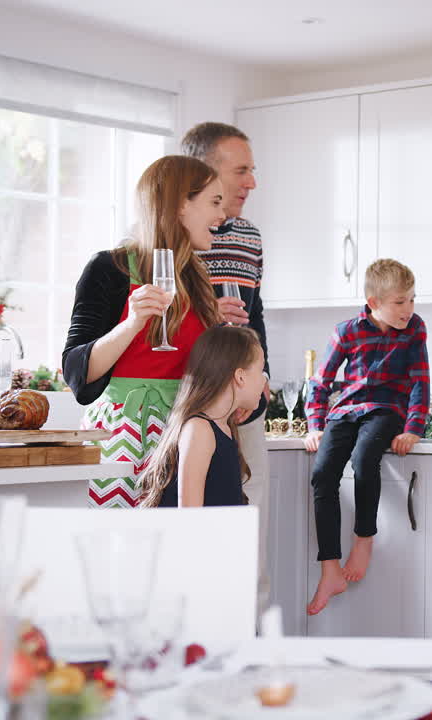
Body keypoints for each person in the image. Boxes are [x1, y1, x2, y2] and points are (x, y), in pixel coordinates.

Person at [62, 155, 240, 507]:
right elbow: (77, 375)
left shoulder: (200, 281)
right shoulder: (108, 269)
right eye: (214, 202)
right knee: (122, 553)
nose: (223, 216)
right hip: (123, 441)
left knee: (182, 553)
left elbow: (204, 373)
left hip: (187, 438)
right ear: (178, 205)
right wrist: (131, 324)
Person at [181, 121, 274, 611]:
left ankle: (251, 637)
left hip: (244, 407)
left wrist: (259, 388)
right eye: (242, 171)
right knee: (201, 529)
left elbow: (254, 318)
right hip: (196, 408)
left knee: (249, 528)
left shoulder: (249, 238)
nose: (250, 183)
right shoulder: (176, 238)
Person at [303, 259, 429, 615]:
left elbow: (420, 381)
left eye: (412, 299)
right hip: (345, 411)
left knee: (363, 459)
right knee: (322, 474)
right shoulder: (346, 331)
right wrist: (315, 425)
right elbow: (321, 383)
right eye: (399, 302)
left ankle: (363, 540)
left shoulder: (415, 329)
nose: (408, 309)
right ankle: (330, 569)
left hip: (386, 409)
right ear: (374, 303)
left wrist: (412, 429)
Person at [134, 325, 267, 507]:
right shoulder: (199, 429)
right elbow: (190, 513)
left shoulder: (224, 427)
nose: (264, 381)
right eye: (260, 371)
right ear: (240, 377)